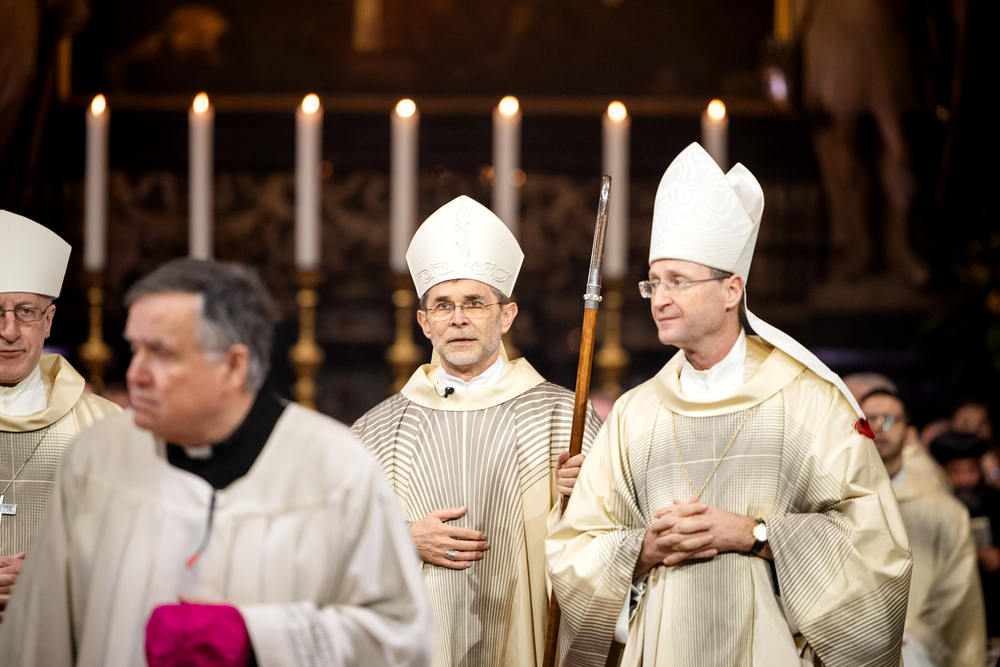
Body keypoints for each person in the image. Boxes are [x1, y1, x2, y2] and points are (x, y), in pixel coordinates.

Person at [546, 143, 911, 667]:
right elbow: (574, 551)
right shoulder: (635, 414)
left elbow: (876, 549)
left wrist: (754, 534)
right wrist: (644, 549)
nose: (659, 298)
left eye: (678, 281)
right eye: (654, 282)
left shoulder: (809, 401)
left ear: (731, 290)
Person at [0, 259, 432, 666]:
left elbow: (398, 637)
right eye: (135, 349)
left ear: (232, 365)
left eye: (161, 353)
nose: (135, 375)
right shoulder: (98, 455)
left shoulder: (336, 468)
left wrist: (258, 637)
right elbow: (41, 631)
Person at [351, 195, 601, 667]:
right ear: (424, 322)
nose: (458, 318)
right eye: (442, 306)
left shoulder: (562, 418)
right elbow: (331, 538)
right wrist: (402, 539)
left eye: (474, 303)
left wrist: (584, 495)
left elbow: (609, 536)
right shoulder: (376, 431)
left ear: (506, 316)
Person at [0, 210, 120, 617]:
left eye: (25, 311)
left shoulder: (103, 427)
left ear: (48, 321)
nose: (9, 331)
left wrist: (55, 576)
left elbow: (135, 547)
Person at [861, 389, 986, 667]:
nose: (879, 427)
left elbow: (957, 584)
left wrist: (917, 637)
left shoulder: (944, 510)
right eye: (869, 419)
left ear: (910, 435)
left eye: (889, 420)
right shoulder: (840, 503)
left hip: (919, 648)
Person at [931, 431, 1000, 640]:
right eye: (956, 472)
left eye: (971, 470)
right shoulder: (934, 507)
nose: (965, 480)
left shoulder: (994, 501)